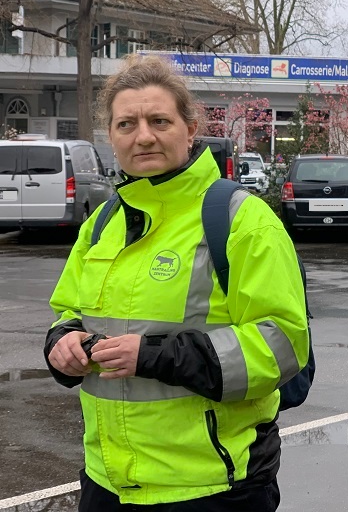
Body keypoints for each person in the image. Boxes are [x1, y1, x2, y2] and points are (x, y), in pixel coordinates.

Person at [44, 55, 308, 511]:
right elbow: (68, 310)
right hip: (106, 483)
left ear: (190, 129)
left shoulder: (241, 220)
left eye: (158, 120)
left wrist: (152, 356)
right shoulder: (102, 223)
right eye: (126, 124)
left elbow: (282, 345)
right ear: (111, 137)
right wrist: (63, 343)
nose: (142, 135)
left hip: (211, 488)